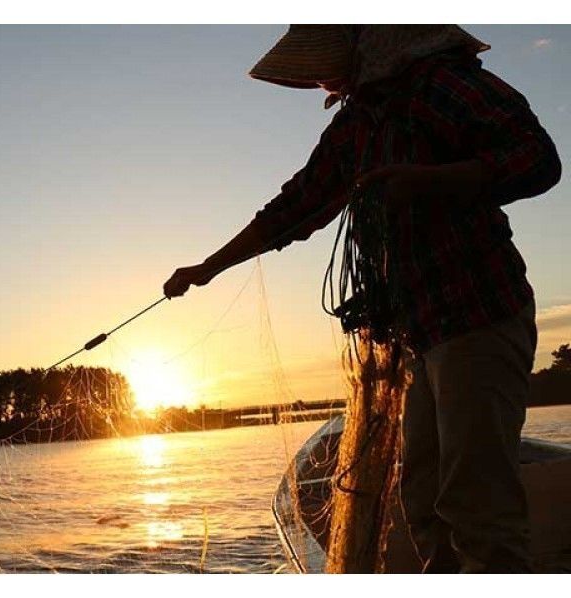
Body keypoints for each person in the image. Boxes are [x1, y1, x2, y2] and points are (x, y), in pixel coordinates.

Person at [163, 25, 562, 573]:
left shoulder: (443, 86)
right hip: (421, 332)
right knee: (422, 494)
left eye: (329, 62)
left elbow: (538, 160)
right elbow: (297, 205)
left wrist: (432, 181)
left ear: (368, 48)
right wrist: (209, 267)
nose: (323, 78)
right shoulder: (356, 124)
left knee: (478, 505)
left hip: (479, 316)